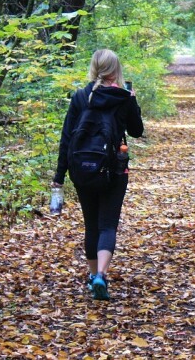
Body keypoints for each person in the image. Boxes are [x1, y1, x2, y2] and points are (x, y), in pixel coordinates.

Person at [52, 49, 143, 300]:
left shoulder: (81, 97)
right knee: (107, 225)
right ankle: (102, 274)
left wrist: (60, 175)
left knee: (91, 224)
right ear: (116, 69)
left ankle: (93, 277)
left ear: (94, 68)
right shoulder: (122, 97)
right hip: (114, 170)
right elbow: (136, 131)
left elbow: (67, 137)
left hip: (82, 170)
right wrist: (132, 100)